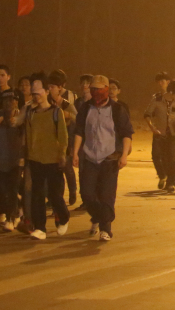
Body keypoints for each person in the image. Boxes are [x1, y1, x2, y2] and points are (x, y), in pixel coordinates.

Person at [74, 74, 133, 239]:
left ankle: (105, 228)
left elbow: (127, 134)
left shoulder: (117, 110)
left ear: (106, 89)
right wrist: (75, 153)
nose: (96, 92)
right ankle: (98, 216)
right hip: (89, 158)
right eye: (93, 89)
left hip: (110, 158)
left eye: (100, 89)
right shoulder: (85, 108)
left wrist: (124, 155)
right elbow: (79, 131)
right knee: (87, 194)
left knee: (107, 195)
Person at [18, 75, 70, 240]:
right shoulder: (30, 113)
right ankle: (40, 228)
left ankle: (64, 217)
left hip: (53, 159)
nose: (36, 95)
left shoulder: (56, 112)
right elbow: (22, 130)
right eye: (33, 92)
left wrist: (62, 154)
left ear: (47, 91)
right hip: (35, 159)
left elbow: (63, 136)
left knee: (54, 195)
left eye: (38, 91)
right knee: (37, 194)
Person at [0, 89, 22, 231]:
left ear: (16, 102)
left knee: (13, 188)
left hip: (16, 160)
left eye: (11, 100)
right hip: (0, 158)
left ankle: (11, 217)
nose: (8, 103)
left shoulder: (22, 117)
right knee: (2, 189)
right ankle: (6, 213)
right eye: (5, 100)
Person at [145, 75, 175, 192]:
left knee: (170, 157)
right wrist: (152, 127)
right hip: (159, 132)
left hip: (172, 133)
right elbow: (147, 114)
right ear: (170, 92)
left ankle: (171, 182)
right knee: (156, 156)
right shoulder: (157, 100)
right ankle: (162, 175)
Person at [48, 70, 79, 205]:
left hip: (66, 138)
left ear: (60, 87)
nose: (50, 89)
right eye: (48, 87)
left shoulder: (68, 101)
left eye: (52, 87)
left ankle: (72, 191)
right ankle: (56, 198)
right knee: (54, 171)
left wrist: (68, 115)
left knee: (67, 167)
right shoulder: (46, 101)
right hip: (51, 140)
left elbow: (77, 118)